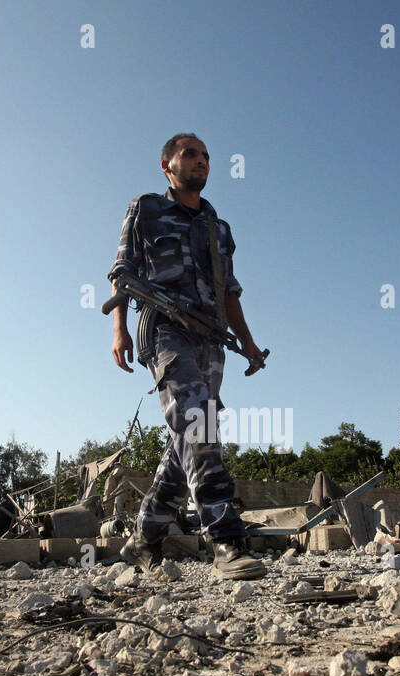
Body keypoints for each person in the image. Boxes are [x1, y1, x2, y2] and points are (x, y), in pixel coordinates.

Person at [107, 132, 266, 580]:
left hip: (211, 340)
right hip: (165, 331)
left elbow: (230, 292)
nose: (201, 162)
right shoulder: (147, 208)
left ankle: (145, 537)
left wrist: (249, 343)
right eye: (190, 154)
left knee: (187, 442)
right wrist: (118, 329)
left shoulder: (219, 228)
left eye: (206, 157)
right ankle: (227, 541)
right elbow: (122, 271)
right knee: (199, 421)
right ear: (167, 166)